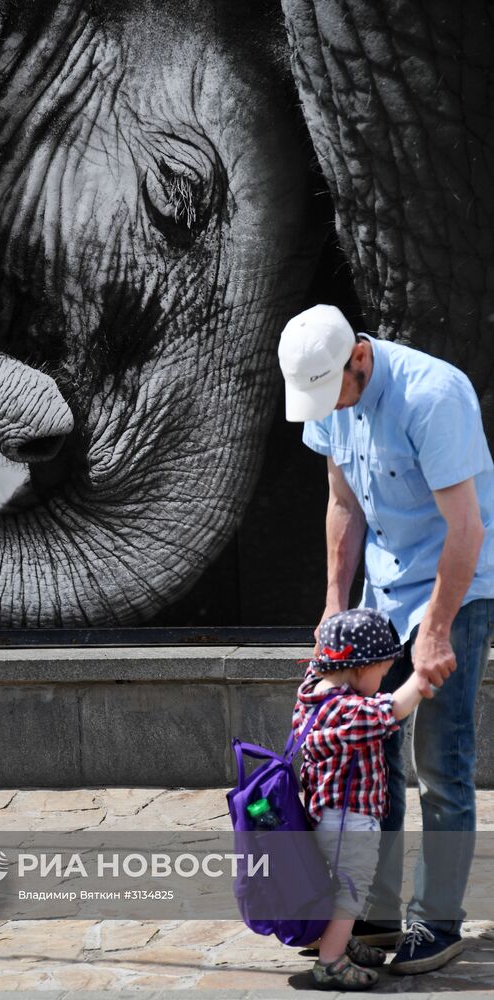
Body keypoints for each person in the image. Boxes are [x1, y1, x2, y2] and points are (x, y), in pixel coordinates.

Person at [278, 303, 494, 974]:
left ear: (359, 359)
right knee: (372, 761)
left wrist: (434, 633)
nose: (323, 407)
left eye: (329, 391)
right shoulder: (328, 396)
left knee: (439, 765)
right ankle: (370, 914)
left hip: (452, 587)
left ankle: (437, 921)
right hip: (381, 591)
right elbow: (343, 504)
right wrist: (331, 610)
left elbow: (466, 530)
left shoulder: (433, 396)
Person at [294, 608, 424, 990]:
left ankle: (341, 940)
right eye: (382, 672)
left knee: (339, 886)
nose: (384, 680)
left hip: (325, 817)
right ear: (358, 667)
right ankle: (332, 961)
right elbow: (392, 710)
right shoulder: (348, 710)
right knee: (352, 889)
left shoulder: (313, 696)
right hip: (350, 821)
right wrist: (424, 676)